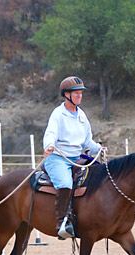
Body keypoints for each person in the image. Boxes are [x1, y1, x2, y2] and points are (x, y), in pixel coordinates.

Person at [43, 76, 105, 239]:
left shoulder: (82, 116)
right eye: (75, 93)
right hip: (58, 158)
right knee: (65, 184)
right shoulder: (58, 114)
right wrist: (49, 145)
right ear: (66, 95)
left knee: (99, 177)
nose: (79, 96)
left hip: (77, 158)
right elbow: (50, 133)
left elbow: (87, 142)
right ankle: (62, 223)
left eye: (80, 93)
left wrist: (99, 148)